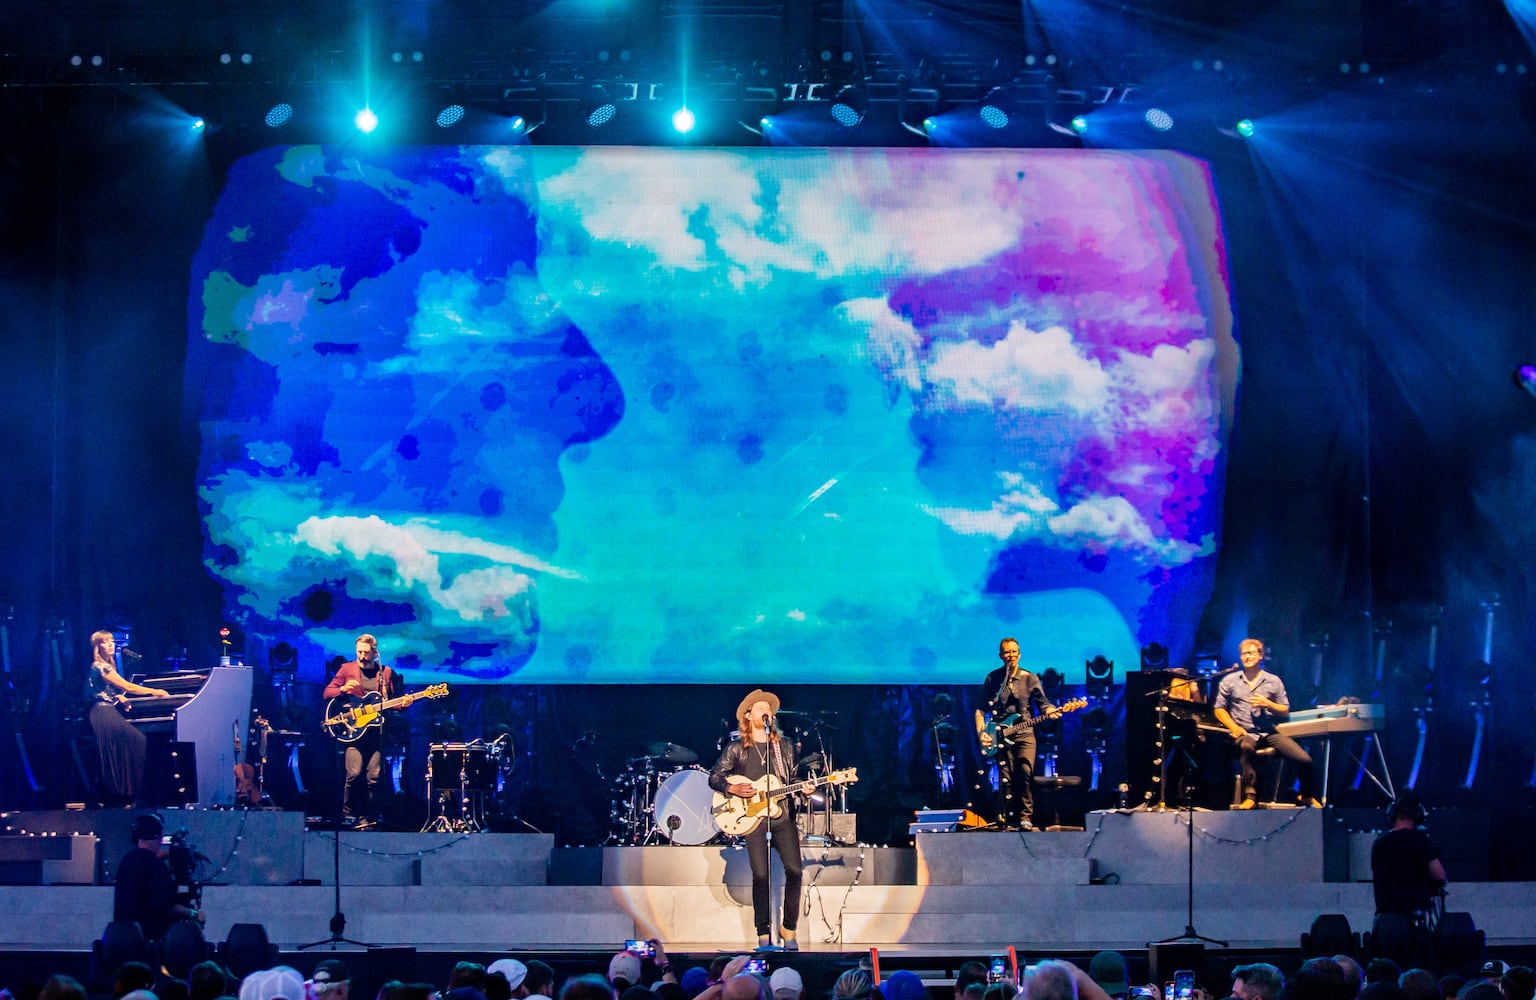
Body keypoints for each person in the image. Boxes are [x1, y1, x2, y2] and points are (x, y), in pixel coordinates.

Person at [708, 688, 804, 951]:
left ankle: (789, 928)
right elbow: (714, 777)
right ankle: (763, 933)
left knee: (795, 870)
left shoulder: (784, 747)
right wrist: (732, 788)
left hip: (781, 816)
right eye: (760, 707)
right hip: (752, 819)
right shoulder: (737, 748)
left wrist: (803, 788)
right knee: (760, 875)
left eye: (768, 707)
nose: (765, 710)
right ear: (749, 716)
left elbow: (792, 780)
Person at [1213, 638, 1318, 809]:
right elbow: (1219, 708)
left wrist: (1267, 704)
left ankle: (1306, 795)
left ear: (1260, 656)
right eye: (1244, 654)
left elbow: (1284, 710)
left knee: (1304, 759)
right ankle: (1251, 796)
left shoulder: (1273, 681)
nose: (1247, 657)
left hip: (1268, 732)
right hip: (1244, 732)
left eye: (1252, 653)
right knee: (1247, 748)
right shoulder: (1230, 681)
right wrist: (1233, 726)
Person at [976, 637, 1058, 830]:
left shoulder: (1029, 678)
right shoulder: (993, 679)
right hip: (1000, 734)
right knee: (1006, 777)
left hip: (1024, 732)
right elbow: (980, 709)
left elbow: (1043, 703)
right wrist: (982, 733)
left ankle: (1025, 817)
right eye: (1007, 652)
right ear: (1001, 656)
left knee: (1025, 772)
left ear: (1019, 655)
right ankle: (1008, 818)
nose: (1010, 656)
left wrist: (1050, 711)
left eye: (1014, 652)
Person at [321, 633, 400, 825]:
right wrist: (343, 689)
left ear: (375, 652)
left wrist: (404, 702)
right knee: (354, 773)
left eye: (366, 652)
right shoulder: (347, 669)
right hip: (353, 732)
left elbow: (394, 702)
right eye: (359, 652)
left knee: (374, 776)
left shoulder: (386, 673)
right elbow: (327, 693)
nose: (362, 656)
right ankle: (349, 815)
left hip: (375, 733)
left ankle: (369, 816)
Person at [86, 630, 171, 804]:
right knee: (137, 739)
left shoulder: (100, 667)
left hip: (103, 709)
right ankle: (125, 791)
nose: (110, 644)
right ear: (97, 646)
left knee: (126, 744)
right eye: (105, 641)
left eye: (111, 641)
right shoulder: (102, 666)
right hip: (102, 712)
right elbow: (127, 686)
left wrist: (118, 696)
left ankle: (123, 791)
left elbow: (97, 689)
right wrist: (154, 691)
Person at [113, 812, 204, 941]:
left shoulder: (127, 861)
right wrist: (193, 914)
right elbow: (167, 906)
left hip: (125, 941)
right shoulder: (156, 866)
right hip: (150, 943)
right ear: (159, 837)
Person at [1371, 793, 1447, 917]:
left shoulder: (1379, 843)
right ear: (1418, 817)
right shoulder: (1421, 840)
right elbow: (1439, 875)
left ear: (1392, 816)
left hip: (1385, 918)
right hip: (1414, 914)